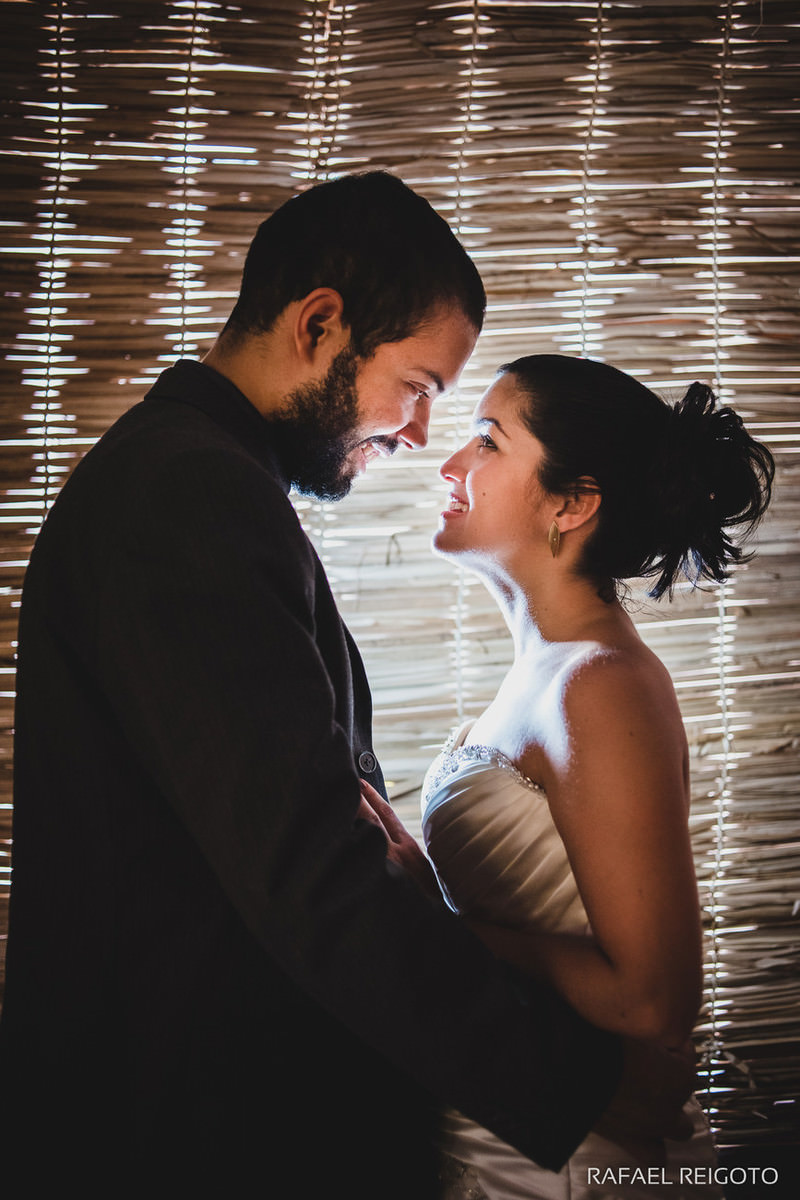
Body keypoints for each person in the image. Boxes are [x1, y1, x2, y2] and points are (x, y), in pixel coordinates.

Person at [0, 176, 690, 1198]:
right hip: (175, 1129)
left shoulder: (193, 477)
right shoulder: (190, 492)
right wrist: (569, 1092)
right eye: (415, 386)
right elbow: (305, 872)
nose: (419, 436)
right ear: (321, 323)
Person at [391, 354, 772, 1198]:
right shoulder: (546, 671)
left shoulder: (600, 687)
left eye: (488, 442)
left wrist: (437, 922)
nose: (452, 464)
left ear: (572, 502)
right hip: (511, 1119)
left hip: (578, 1159)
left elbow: (654, 1003)